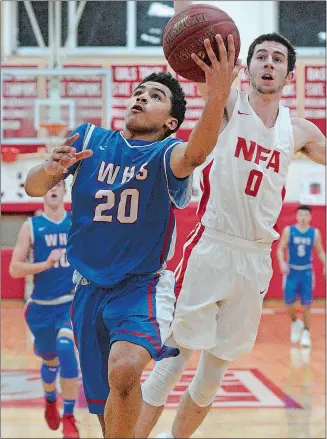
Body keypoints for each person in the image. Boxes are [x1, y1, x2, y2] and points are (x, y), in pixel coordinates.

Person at [24, 36, 239, 439]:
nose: (140, 98)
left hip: (140, 287)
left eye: (154, 96)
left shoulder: (167, 154)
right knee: (108, 416)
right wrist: (49, 166)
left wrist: (219, 94)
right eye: (138, 93)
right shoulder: (88, 140)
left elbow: (195, 154)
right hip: (86, 290)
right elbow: (34, 188)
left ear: (171, 121)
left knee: (125, 369)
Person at [134, 2, 326, 438]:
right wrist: (209, 51)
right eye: (262, 56)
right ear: (249, 64)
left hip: (256, 259)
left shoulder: (300, 132)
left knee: (212, 375)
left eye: (278, 60)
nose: (269, 64)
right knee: (171, 362)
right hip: (213, 248)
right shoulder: (226, 104)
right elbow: (206, 80)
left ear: (288, 78)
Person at [9, 181, 80, 439]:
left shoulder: (76, 221)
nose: (52, 188)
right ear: (43, 193)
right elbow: (14, 269)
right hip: (40, 308)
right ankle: (50, 399)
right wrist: (44, 265)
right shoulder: (32, 226)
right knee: (50, 361)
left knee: (66, 348)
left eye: (58, 185)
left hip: (70, 304)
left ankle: (70, 417)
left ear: (63, 191)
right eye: (48, 185)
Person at [277, 205, 325, 347]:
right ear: (297, 216)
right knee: (288, 303)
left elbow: (320, 251)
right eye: (300, 215)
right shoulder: (289, 231)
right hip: (291, 272)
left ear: (310, 217)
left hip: (306, 273)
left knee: (307, 305)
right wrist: (281, 263)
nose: (303, 218)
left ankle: (306, 332)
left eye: (306, 215)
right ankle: (295, 322)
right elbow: (280, 249)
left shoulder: (314, 233)